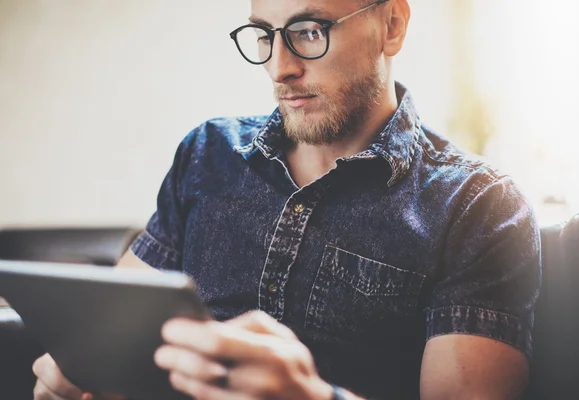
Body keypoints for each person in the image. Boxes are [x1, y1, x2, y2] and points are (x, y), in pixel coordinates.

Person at [32, 0, 541, 399]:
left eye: (309, 30)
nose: (280, 68)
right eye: (264, 34)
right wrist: (81, 369)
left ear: (391, 24)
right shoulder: (207, 152)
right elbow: (111, 329)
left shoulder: (478, 204)